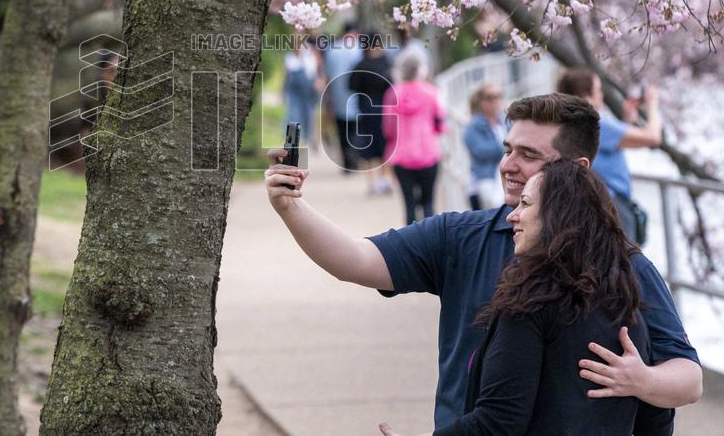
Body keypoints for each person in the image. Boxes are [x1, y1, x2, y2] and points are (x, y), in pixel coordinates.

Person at [263, 93, 701, 430]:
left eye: (529, 155)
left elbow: (688, 378)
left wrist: (641, 381)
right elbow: (355, 259)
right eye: (507, 148)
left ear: (577, 170)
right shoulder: (459, 235)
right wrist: (291, 207)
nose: (507, 164)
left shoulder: (623, 263)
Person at [405, 160, 673, 435]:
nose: (512, 216)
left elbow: (498, 422)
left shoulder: (530, 305)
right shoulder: (628, 306)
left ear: (557, 215)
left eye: (525, 204)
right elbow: (657, 420)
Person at [556, 68, 661, 243]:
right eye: (598, 90)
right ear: (586, 96)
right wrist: (653, 105)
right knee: (625, 263)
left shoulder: (570, 124)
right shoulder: (596, 124)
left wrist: (627, 119)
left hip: (595, 204)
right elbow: (653, 137)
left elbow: (609, 146)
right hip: (613, 205)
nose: (602, 95)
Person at [382, 49, 445, 224]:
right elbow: (440, 123)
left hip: (401, 155)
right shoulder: (432, 92)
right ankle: (431, 244)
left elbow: (388, 128)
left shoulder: (393, 93)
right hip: (429, 154)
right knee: (428, 202)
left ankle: (410, 246)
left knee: (409, 204)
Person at [349, 34, 394, 195]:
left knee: (369, 148)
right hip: (385, 112)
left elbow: (352, 85)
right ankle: (385, 179)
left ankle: (373, 182)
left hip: (367, 111)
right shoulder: (387, 63)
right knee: (386, 146)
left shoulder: (360, 65)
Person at [323, 23, 363, 172]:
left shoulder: (332, 49)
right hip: (358, 98)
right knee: (356, 131)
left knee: (342, 132)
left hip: (338, 98)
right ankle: (355, 159)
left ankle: (347, 163)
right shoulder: (359, 48)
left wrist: (327, 98)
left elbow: (327, 76)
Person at [463, 84, 506, 211]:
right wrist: (507, 147)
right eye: (490, 97)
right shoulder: (473, 126)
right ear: (481, 101)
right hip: (485, 176)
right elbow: (480, 151)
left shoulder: (506, 121)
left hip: (504, 173)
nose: (495, 101)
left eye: (498, 96)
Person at [282, 36, 323, 148]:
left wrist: (319, 81)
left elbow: (318, 71)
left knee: (310, 116)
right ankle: (293, 141)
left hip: (309, 91)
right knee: (293, 116)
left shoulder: (310, 56)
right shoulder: (290, 58)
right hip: (295, 93)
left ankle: (312, 139)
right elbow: (286, 77)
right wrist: (284, 93)